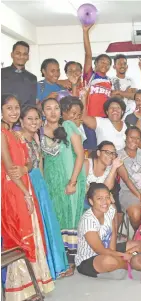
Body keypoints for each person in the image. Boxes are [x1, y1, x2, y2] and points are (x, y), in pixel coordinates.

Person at [1, 94, 54, 299]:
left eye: (16, 108)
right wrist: (25, 194)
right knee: (20, 235)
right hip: (13, 190)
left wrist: (25, 168)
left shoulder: (14, 134)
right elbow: (8, 169)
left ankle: (34, 283)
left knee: (32, 232)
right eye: (9, 108)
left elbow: (30, 163)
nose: (14, 112)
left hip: (24, 185)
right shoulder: (2, 134)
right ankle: (19, 289)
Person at [19, 105, 68, 279]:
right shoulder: (18, 139)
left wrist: (44, 185)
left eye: (36, 119)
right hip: (27, 184)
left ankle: (49, 267)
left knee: (46, 223)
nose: (34, 122)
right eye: (29, 119)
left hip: (39, 183)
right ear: (21, 121)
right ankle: (34, 272)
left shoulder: (35, 138)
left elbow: (39, 163)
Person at [41, 97, 86, 275]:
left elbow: (80, 155)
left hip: (71, 180)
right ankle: (58, 261)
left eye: (56, 108)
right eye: (48, 108)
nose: (53, 112)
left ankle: (71, 263)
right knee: (56, 219)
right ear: (42, 111)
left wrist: (73, 182)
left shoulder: (68, 126)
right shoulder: (38, 131)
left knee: (70, 219)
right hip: (52, 183)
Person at [75, 183, 141, 279]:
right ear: (91, 201)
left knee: (140, 245)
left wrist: (115, 253)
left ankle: (122, 264)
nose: (105, 202)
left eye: (107, 197)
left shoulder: (110, 210)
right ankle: (131, 263)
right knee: (109, 261)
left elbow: (113, 234)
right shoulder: (88, 221)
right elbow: (100, 250)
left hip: (108, 250)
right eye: (99, 199)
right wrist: (123, 255)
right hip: (90, 259)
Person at [117, 126, 141, 231]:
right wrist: (140, 196)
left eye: (138, 138)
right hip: (128, 191)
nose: (134, 141)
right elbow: (126, 179)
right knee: (136, 215)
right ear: (125, 137)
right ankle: (139, 236)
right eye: (131, 137)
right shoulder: (118, 155)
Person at [84, 141, 123, 221]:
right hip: (84, 198)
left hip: (100, 199)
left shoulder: (112, 169)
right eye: (107, 152)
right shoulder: (87, 163)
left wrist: (114, 167)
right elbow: (80, 187)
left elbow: (107, 188)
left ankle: (112, 233)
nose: (111, 156)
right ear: (98, 153)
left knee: (113, 209)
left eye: (113, 153)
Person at [82, 24, 112, 117]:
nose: (105, 64)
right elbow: (88, 54)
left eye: (107, 63)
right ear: (95, 63)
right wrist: (85, 32)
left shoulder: (109, 81)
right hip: (90, 118)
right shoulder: (90, 75)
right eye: (102, 62)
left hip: (105, 119)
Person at [1, 41, 37, 106]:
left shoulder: (32, 78)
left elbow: (32, 103)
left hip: (24, 115)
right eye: (18, 53)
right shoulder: (2, 73)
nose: (21, 56)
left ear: (28, 57)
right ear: (12, 54)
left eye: (25, 54)